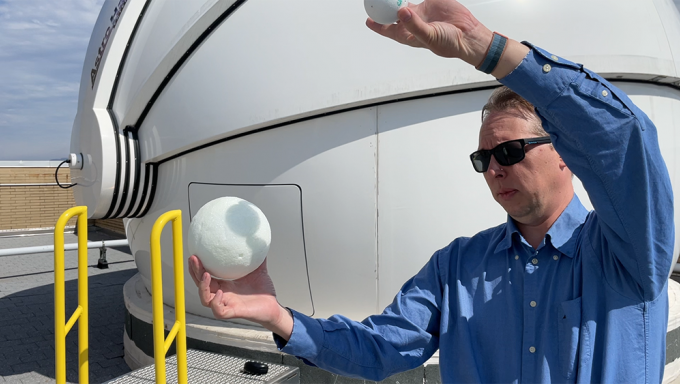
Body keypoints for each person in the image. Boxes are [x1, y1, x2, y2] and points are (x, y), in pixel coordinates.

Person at [188, 0, 675, 382]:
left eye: (508, 152)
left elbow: (622, 137)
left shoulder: (626, 251)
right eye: (483, 160)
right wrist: (281, 318)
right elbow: (381, 349)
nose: (494, 171)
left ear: (566, 150)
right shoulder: (457, 267)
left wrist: (489, 50)